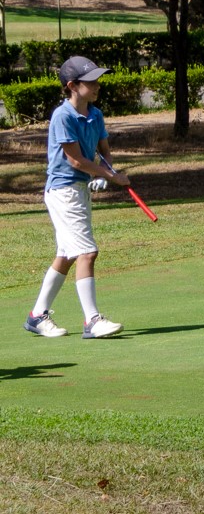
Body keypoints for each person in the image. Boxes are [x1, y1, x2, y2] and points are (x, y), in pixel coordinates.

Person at [24, 56, 128, 339]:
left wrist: (107, 169)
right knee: (87, 252)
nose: (97, 85)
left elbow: (103, 149)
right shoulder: (63, 116)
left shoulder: (95, 113)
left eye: (98, 80)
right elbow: (75, 160)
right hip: (63, 191)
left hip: (79, 190)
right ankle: (92, 320)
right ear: (72, 85)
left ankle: (37, 315)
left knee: (66, 255)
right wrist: (108, 176)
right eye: (90, 81)